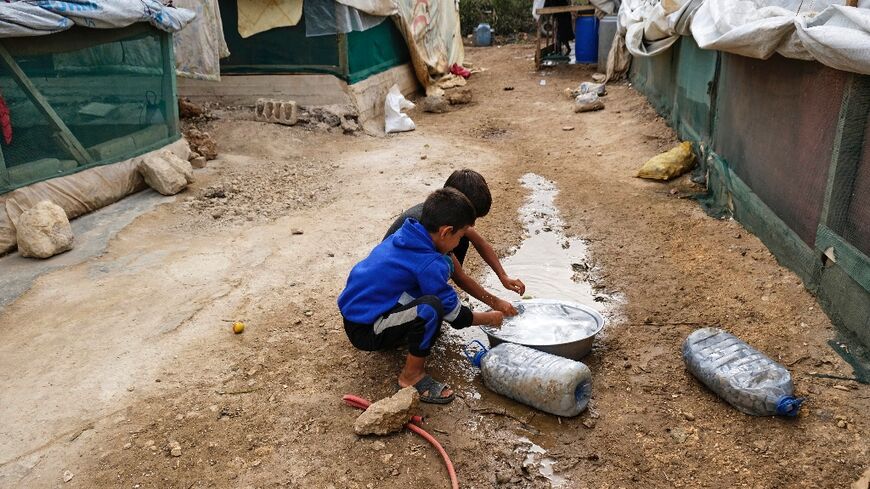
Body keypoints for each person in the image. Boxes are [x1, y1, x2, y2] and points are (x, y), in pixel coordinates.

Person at [338, 188, 504, 404]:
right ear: (446, 232)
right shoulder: (428, 263)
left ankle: (401, 333)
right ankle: (411, 376)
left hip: (359, 312)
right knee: (431, 309)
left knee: (431, 299)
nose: (459, 244)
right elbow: (457, 317)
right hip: (365, 329)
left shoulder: (410, 233)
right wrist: (492, 317)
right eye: (461, 237)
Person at [384, 169, 526, 316]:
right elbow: (460, 278)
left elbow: (480, 243)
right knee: (435, 309)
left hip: (403, 274)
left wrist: (502, 276)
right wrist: (494, 304)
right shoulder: (430, 229)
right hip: (394, 294)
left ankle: (435, 294)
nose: (472, 226)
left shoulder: (439, 212)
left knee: (462, 237)